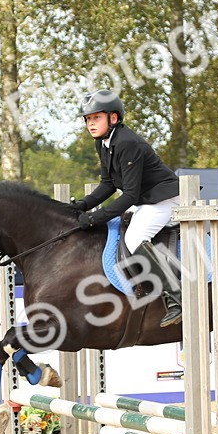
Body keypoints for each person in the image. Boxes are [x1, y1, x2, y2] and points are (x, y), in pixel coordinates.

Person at [69, 89, 183, 327]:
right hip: (146, 199)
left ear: (114, 118)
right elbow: (109, 183)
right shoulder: (103, 143)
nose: (91, 124)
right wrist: (84, 204)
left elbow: (129, 194)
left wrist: (96, 217)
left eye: (96, 118)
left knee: (134, 238)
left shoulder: (127, 142)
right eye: (88, 119)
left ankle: (176, 297)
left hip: (163, 198)